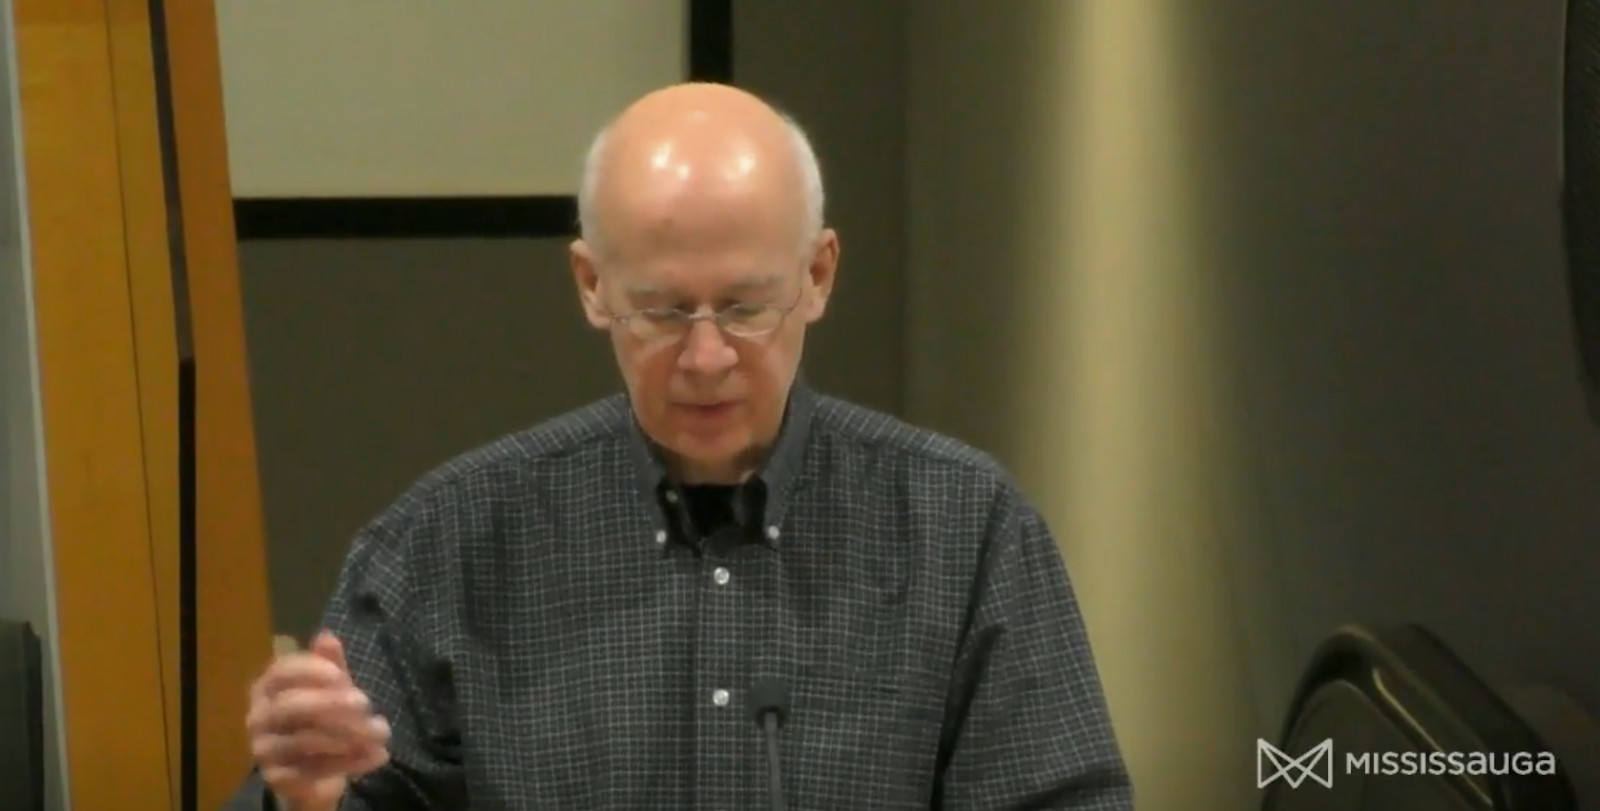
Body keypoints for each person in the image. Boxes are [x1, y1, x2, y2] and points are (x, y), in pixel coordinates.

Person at [227, 82, 1134, 811]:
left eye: (745, 307)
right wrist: (304, 799)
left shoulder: (960, 528)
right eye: (661, 311)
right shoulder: (450, 541)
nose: (706, 358)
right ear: (591, 285)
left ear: (819, 274)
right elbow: (345, 793)